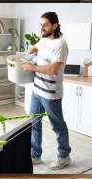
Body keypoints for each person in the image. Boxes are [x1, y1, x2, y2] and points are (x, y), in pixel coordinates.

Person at [22, 12, 71, 170]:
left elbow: (53, 69)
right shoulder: (43, 39)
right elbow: (37, 47)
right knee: (33, 123)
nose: (42, 28)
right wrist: (31, 51)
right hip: (37, 90)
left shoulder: (61, 44)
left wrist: (32, 67)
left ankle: (64, 156)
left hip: (51, 94)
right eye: (40, 25)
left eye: (45, 25)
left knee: (57, 126)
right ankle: (35, 154)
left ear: (55, 25)